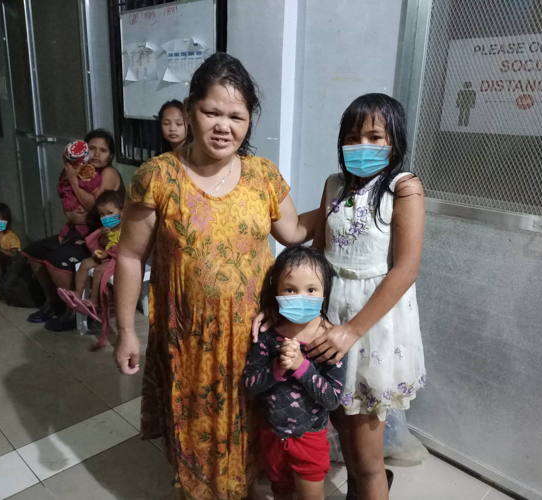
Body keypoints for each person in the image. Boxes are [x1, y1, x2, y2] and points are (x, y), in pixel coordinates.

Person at [114, 52, 318, 499]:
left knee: (253, 438)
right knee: (198, 442)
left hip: (254, 340)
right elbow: (129, 256)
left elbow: (295, 232)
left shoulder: (263, 176)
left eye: (236, 116)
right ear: (190, 111)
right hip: (190, 343)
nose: (223, 126)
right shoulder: (159, 177)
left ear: (249, 121)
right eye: (211, 112)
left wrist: (341, 197)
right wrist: (126, 330)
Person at [253, 93, 426, 500]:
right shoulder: (334, 185)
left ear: (395, 141)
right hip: (327, 321)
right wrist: (280, 307)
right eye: (353, 137)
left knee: (363, 455)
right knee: (336, 427)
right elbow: (312, 256)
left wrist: (351, 331)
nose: (362, 146)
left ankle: (371, 486)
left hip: (370, 327)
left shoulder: (404, 188)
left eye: (374, 136)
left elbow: (406, 269)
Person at [244, 245, 345, 500]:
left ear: (325, 293)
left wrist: (301, 366)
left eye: (311, 290)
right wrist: (276, 369)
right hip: (272, 434)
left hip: (309, 438)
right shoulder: (268, 335)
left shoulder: (329, 341)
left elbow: (333, 399)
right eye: (290, 289)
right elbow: (249, 384)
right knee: (281, 492)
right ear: (276, 292)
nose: (301, 297)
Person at [23, 129, 124, 331]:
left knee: (56, 260)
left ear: (110, 155)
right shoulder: (84, 171)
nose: (96, 154)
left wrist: (71, 177)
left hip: (101, 239)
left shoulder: (108, 174)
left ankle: (74, 312)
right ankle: (54, 303)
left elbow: (93, 207)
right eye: (92, 149)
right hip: (77, 231)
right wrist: (69, 213)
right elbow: (68, 200)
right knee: (34, 251)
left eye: (103, 150)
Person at [57, 189, 124, 322]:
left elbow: (124, 249)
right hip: (107, 256)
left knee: (99, 270)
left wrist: (107, 253)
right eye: (102, 214)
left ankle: (94, 300)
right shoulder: (107, 229)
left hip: (120, 258)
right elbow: (101, 245)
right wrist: (103, 239)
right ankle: (77, 293)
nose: (106, 217)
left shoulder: (126, 228)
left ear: (122, 211)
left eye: (110, 213)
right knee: (85, 263)